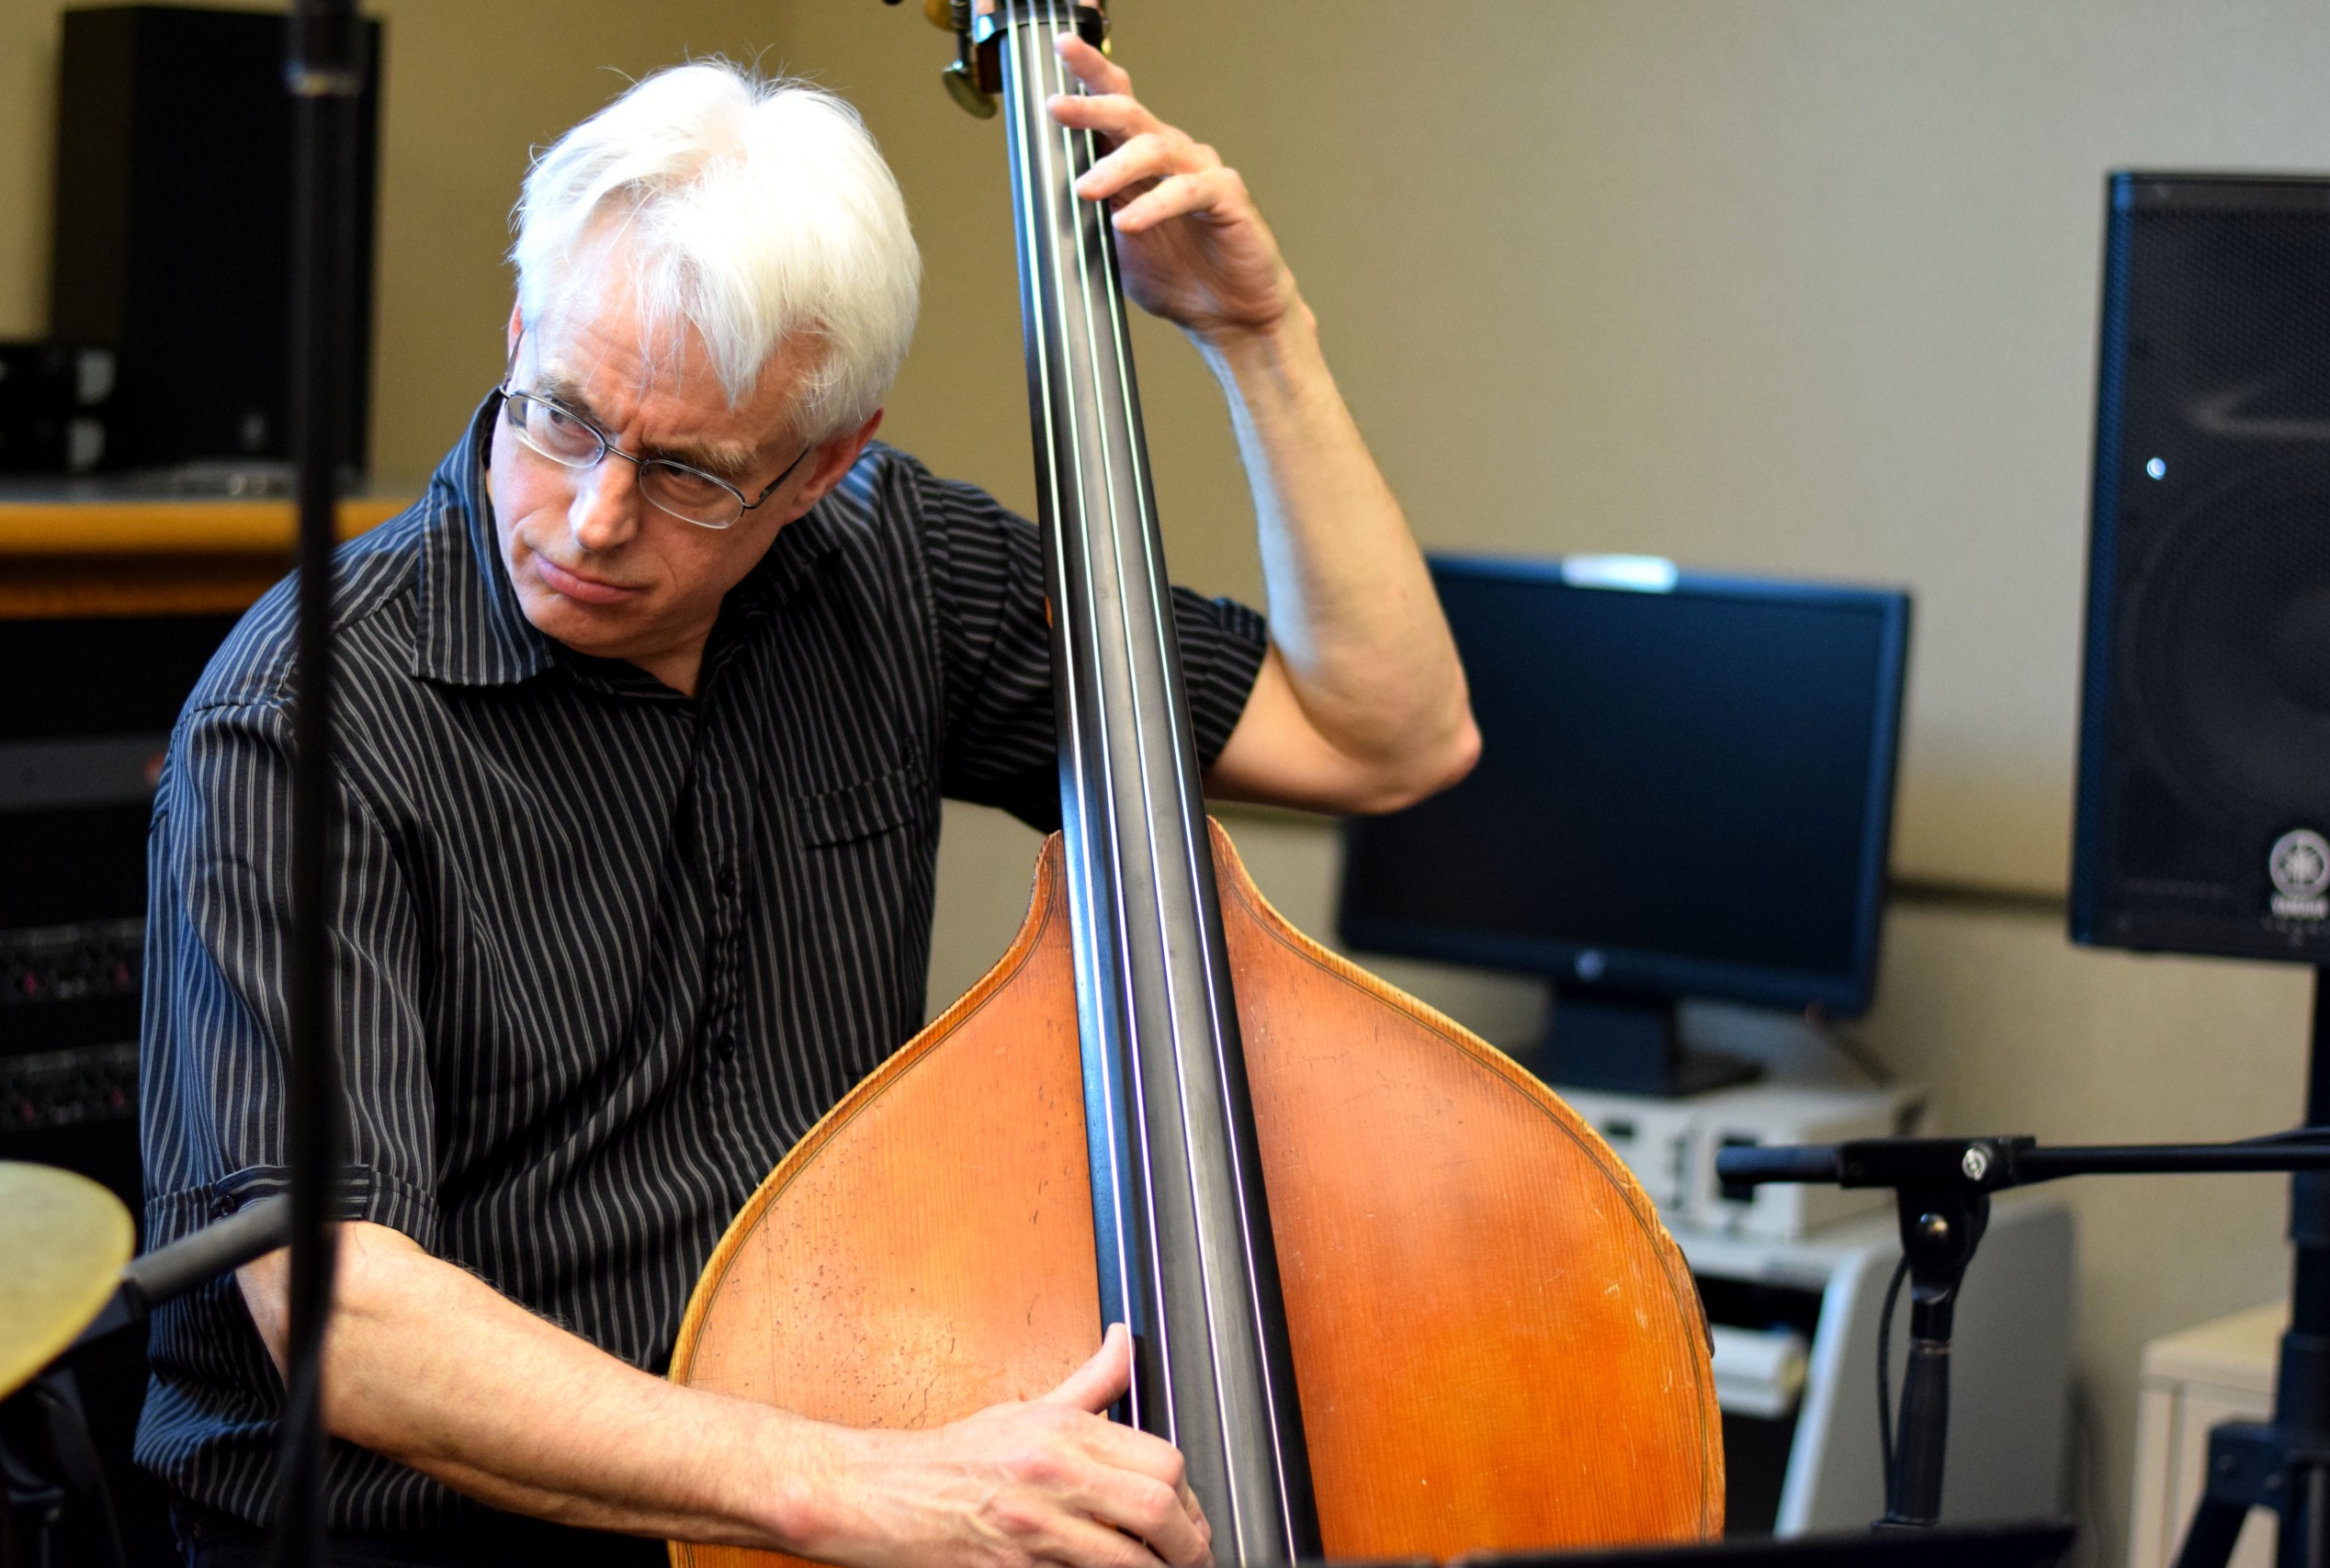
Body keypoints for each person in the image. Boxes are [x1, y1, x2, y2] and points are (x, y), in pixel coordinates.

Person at [140, 32, 1477, 1568]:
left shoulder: (891, 568)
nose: (592, 515)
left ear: (827, 464)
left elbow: (1388, 737)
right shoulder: (303, 720)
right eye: (560, 412)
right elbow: (345, 1313)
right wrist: (856, 1486)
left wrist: (1259, 334)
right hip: (444, 1541)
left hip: (819, 1502)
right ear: (520, 333)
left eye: (695, 473)